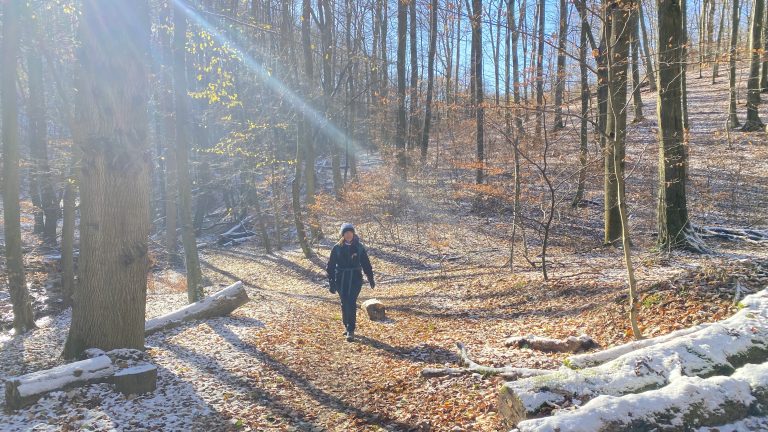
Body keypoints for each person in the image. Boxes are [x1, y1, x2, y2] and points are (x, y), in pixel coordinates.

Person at [326, 223, 375, 342]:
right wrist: (331, 282)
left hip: (355, 278)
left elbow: (366, 263)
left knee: (351, 302)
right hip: (341, 278)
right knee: (344, 302)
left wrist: (370, 278)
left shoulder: (359, 247)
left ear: (353, 233)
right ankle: (346, 325)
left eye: (350, 232)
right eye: (346, 233)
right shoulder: (337, 248)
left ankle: (351, 329)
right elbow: (331, 266)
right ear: (343, 235)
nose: (348, 235)